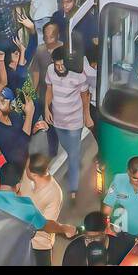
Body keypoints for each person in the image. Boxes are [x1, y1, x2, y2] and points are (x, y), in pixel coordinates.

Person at [44, 47, 92, 201]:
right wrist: (46, 109)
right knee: (68, 148)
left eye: (62, 65)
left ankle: (73, 190)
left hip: (74, 122)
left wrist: (87, 116)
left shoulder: (78, 74)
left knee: (73, 154)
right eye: (57, 65)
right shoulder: (50, 70)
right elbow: (49, 89)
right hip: (58, 120)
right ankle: (75, 162)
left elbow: (85, 96)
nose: (59, 68)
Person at [17, 152, 76, 263]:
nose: (25, 166)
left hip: (39, 245)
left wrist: (63, 228)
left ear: (33, 174)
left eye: (27, 166)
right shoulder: (27, 175)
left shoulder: (55, 193)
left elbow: (45, 224)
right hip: (19, 237)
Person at [62, 211, 135, 266]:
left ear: (106, 231)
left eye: (97, 237)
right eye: (88, 237)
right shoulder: (74, 250)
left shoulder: (122, 245)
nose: (92, 241)